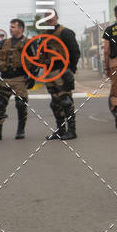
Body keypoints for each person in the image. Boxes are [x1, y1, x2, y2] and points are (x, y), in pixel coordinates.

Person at [0, 19, 34, 142]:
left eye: (13, 27)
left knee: (21, 105)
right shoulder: (3, 43)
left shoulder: (28, 43)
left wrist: (32, 78)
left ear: (20, 28)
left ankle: (20, 130)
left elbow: (35, 62)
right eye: (10, 27)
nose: (10, 29)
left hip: (19, 79)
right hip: (5, 78)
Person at [42, 12, 80, 141]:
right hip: (49, 73)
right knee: (55, 103)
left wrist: (71, 69)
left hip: (62, 72)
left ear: (57, 17)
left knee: (66, 101)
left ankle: (72, 131)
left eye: (51, 15)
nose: (49, 18)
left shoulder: (66, 32)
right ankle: (60, 130)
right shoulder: (44, 35)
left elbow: (75, 51)